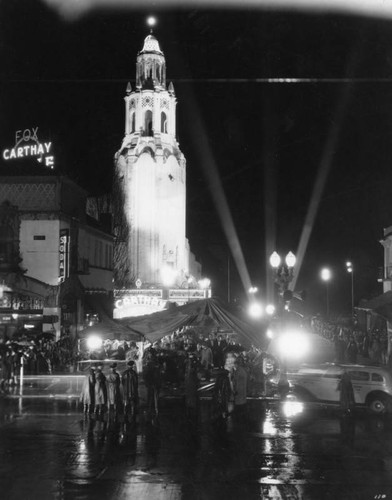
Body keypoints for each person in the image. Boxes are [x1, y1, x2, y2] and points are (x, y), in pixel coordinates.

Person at [143, 348, 162, 417]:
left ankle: (150, 410)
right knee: (155, 397)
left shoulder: (150, 362)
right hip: (156, 382)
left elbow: (147, 373)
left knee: (150, 397)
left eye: (149, 353)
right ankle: (156, 410)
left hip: (152, 382)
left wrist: (146, 381)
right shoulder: (156, 361)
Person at [232, 357, 248, 421]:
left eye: (234, 365)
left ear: (236, 364)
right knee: (242, 403)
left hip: (239, 389)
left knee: (239, 405)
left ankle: (238, 418)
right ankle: (242, 417)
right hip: (242, 389)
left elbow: (235, 380)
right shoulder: (242, 370)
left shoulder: (238, 371)